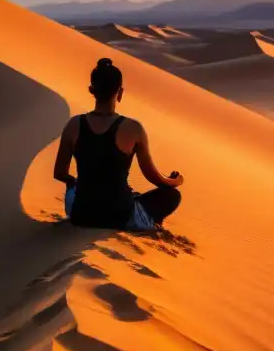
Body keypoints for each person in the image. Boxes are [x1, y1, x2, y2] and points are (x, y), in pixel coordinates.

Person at [53, 58, 183, 230]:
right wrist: (174, 181)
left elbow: (60, 173)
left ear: (91, 90)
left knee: (77, 191)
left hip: (81, 214)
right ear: (120, 93)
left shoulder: (73, 124)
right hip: (120, 216)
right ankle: (146, 222)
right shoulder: (134, 128)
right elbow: (153, 178)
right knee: (172, 196)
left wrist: (76, 182)